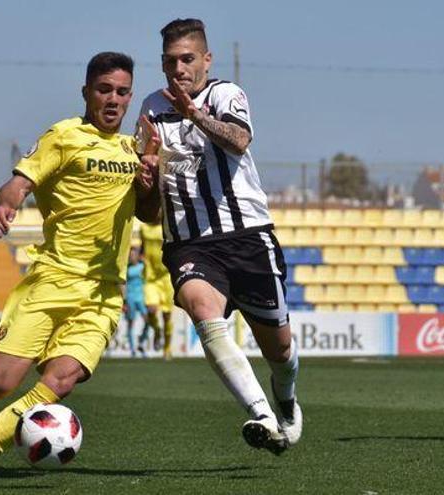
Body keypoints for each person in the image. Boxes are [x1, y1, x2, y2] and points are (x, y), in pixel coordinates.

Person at [0, 51, 161, 481]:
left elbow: (150, 215)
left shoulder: (134, 149)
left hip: (102, 295)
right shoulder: (63, 135)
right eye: (104, 90)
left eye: (121, 91)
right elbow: (20, 183)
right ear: (86, 92)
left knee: (62, 380)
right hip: (52, 280)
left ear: (130, 95)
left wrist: (150, 183)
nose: (113, 99)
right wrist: (4, 207)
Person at [136, 18, 301, 455]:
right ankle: (261, 414)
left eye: (187, 59)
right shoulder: (151, 111)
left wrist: (195, 115)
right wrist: (146, 179)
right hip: (188, 242)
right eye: (171, 62)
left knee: (279, 350)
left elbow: (239, 140)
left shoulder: (226, 94)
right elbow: (147, 214)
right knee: (200, 306)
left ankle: (285, 401)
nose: (179, 69)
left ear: (206, 60)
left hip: (247, 235)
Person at [140, 220, 175, 359]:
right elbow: (142, 247)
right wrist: (141, 255)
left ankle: (167, 348)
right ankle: (157, 330)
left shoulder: (167, 227)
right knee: (151, 309)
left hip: (166, 277)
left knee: (167, 317)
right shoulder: (143, 228)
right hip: (150, 277)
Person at [124, 247, 149, 357]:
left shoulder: (143, 266)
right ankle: (133, 349)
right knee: (131, 323)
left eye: (133, 254)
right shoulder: (126, 268)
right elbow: (123, 284)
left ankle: (141, 342)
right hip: (130, 297)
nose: (131, 256)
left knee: (148, 321)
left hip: (142, 297)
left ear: (138, 256)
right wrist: (124, 301)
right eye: (130, 255)